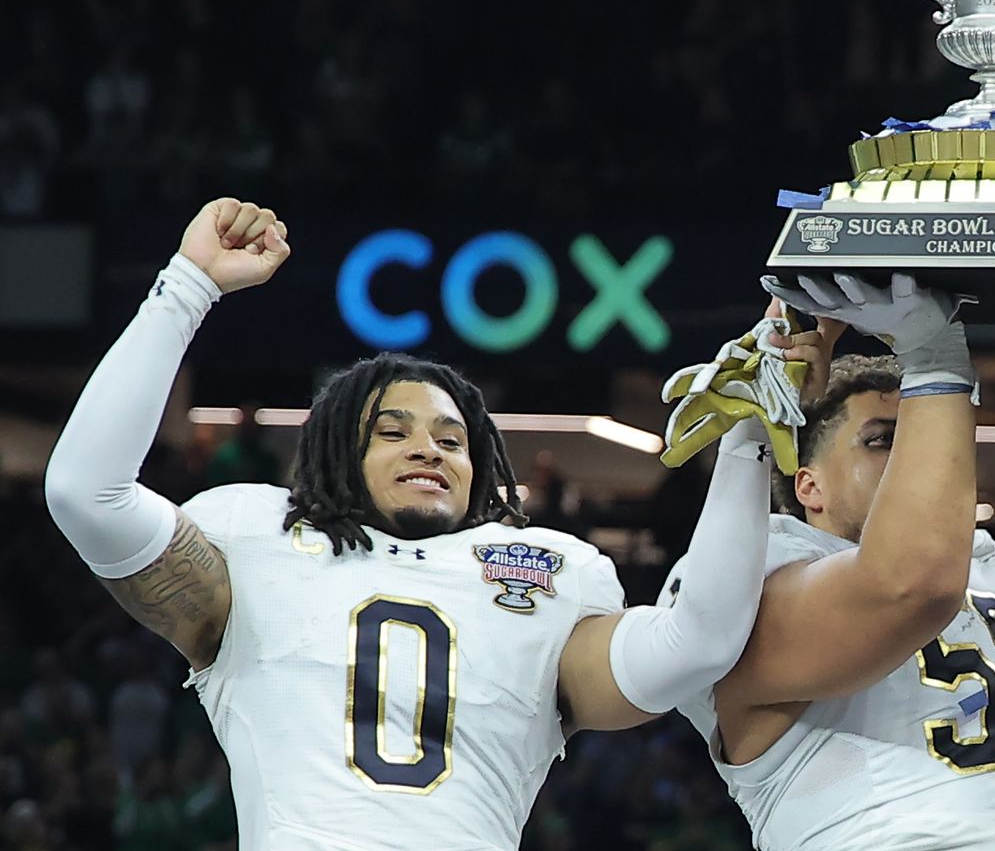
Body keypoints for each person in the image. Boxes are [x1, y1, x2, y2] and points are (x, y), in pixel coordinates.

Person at [45, 197, 792, 848]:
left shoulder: (550, 573)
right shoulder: (256, 537)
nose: (427, 447)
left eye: (451, 437)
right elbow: (88, 492)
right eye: (392, 430)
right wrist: (188, 286)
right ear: (338, 450)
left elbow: (698, 643)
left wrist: (747, 433)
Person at [669, 271, 995, 849]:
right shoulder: (762, 565)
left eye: (927, 435)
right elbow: (909, 586)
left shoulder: (989, 571)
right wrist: (934, 358)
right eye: (883, 439)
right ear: (809, 486)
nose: (921, 454)